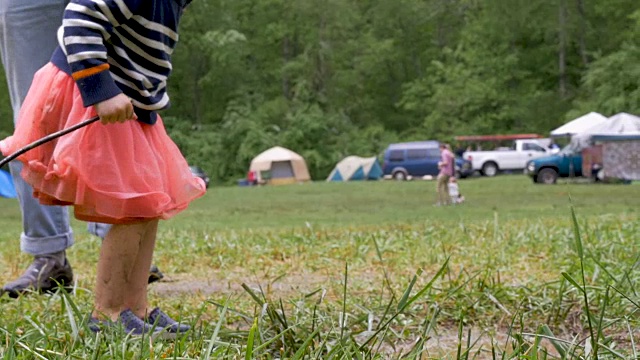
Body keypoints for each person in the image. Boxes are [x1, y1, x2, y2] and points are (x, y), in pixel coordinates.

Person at [0, 0, 204, 337]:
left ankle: (136, 309)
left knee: (151, 205)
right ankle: (107, 314)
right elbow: (80, 18)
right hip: (91, 93)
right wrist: (101, 89)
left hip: (132, 104)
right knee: (135, 205)